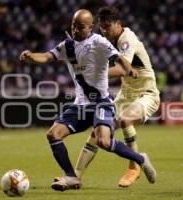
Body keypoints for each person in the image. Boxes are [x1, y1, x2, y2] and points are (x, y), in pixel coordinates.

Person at [19, 9, 156, 192]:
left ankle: (140, 160)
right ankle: (71, 176)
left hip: (102, 102)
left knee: (103, 141)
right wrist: (31, 56)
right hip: (81, 105)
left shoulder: (99, 42)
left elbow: (119, 59)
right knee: (53, 134)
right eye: (73, 25)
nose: (75, 30)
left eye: (80, 26)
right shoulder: (66, 46)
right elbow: (46, 56)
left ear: (90, 27)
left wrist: (129, 69)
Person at [71, 6, 160, 188]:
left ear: (118, 24)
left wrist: (91, 74)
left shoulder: (127, 39)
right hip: (125, 95)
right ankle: (75, 176)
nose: (104, 31)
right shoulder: (107, 42)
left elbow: (122, 68)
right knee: (96, 133)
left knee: (125, 119)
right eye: (101, 28)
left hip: (146, 94)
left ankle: (135, 166)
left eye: (108, 26)